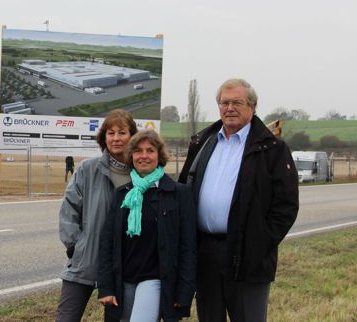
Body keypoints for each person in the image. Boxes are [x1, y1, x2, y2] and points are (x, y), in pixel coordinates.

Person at [178, 78, 299, 322]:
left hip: (247, 254)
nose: (229, 108)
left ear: (252, 107)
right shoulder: (203, 143)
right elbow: (184, 189)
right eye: (224, 102)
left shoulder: (272, 148)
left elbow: (286, 206)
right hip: (205, 252)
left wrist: (259, 241)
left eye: (237, 102)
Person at [98, 130, 196, 321]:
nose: (144, 156)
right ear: (131, 156)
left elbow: (188, 247)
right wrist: (106, 287)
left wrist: (184, 291)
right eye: (138, 151)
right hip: (123, 280)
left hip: (155, 279)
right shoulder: (122, 194)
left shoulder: (179, 194)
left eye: (150, 150)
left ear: (159, 155)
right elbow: (107, 244)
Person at [58, 109, 138, 321]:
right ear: (104, 137)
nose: (116, 138)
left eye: (122, 132)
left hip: (122, 265)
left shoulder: (141, 175)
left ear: (132, 136)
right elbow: (68, 211)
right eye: (110, 133)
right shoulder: (87, 169)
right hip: (85, 260)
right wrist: (76, 246)